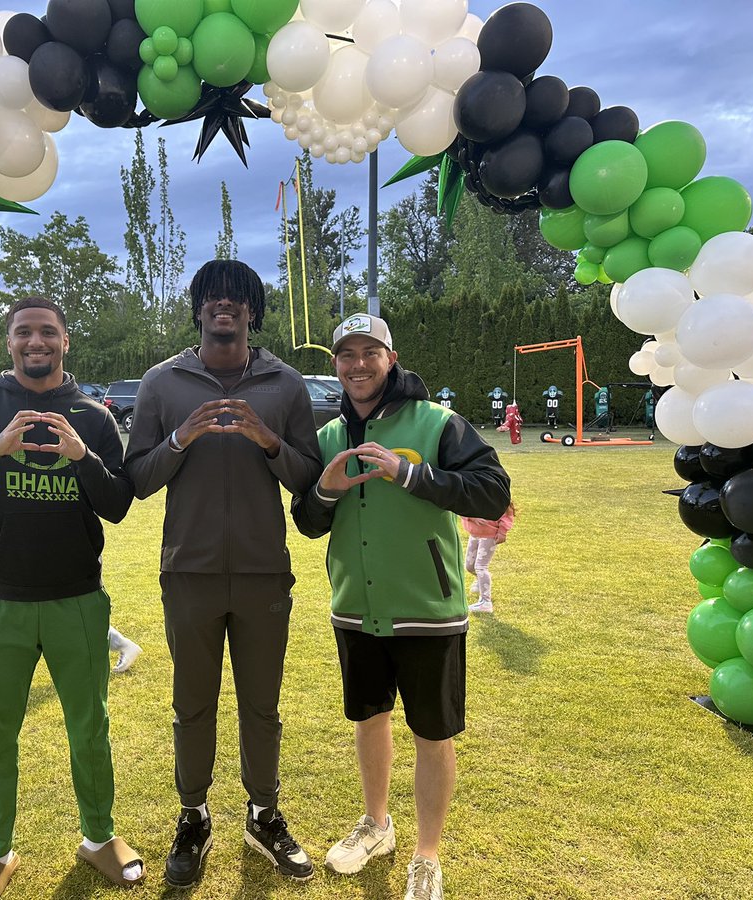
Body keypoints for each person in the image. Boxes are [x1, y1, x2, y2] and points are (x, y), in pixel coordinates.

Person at [0, 297, 144, 900]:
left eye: (48, 331)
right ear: (10, 342)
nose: (36, 341)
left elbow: (119, 504)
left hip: (77, 599)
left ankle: (99, 837)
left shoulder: (94, 416)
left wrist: (81, 457)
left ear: (65, 341)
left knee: (90, 727)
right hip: (0, 601)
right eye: (24, 332)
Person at [292, 313, 510, 900]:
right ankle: (377, 825)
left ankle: (427, 854)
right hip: (355, 608)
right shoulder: (329, 436)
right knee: (368, 718)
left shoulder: (437, 422)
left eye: (370, 352)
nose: (357, 364)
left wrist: (409, 473)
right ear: (335, 364)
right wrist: (325, 491)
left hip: (429, 608)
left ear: (391, 358)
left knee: (433, 733)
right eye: (346, 355)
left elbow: (493, 490)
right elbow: (309, 522)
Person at [125, 259, 323, 888]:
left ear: (252, 312)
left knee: (261, 706)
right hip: (189, 573)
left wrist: (269, 440)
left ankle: (263, 813)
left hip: (265, 573)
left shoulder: (285, 385)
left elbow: (311, 481)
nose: (223, 306)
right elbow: (137, 479)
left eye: (237, 298)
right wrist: (180, 438)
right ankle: (194, 814)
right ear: (199, 309)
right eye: (212, 297)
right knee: (192, 706)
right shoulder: (163, 384)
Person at [463, 503, 516, 614]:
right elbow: (459, 507)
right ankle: (481, 580)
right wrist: (472, 518)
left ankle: (485, 602)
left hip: (489, 535)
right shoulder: (473, 492)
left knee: (481, 567)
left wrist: (502, 531)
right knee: (469, 566)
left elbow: (507, 512)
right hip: (474, 534)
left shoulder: (496, 494)